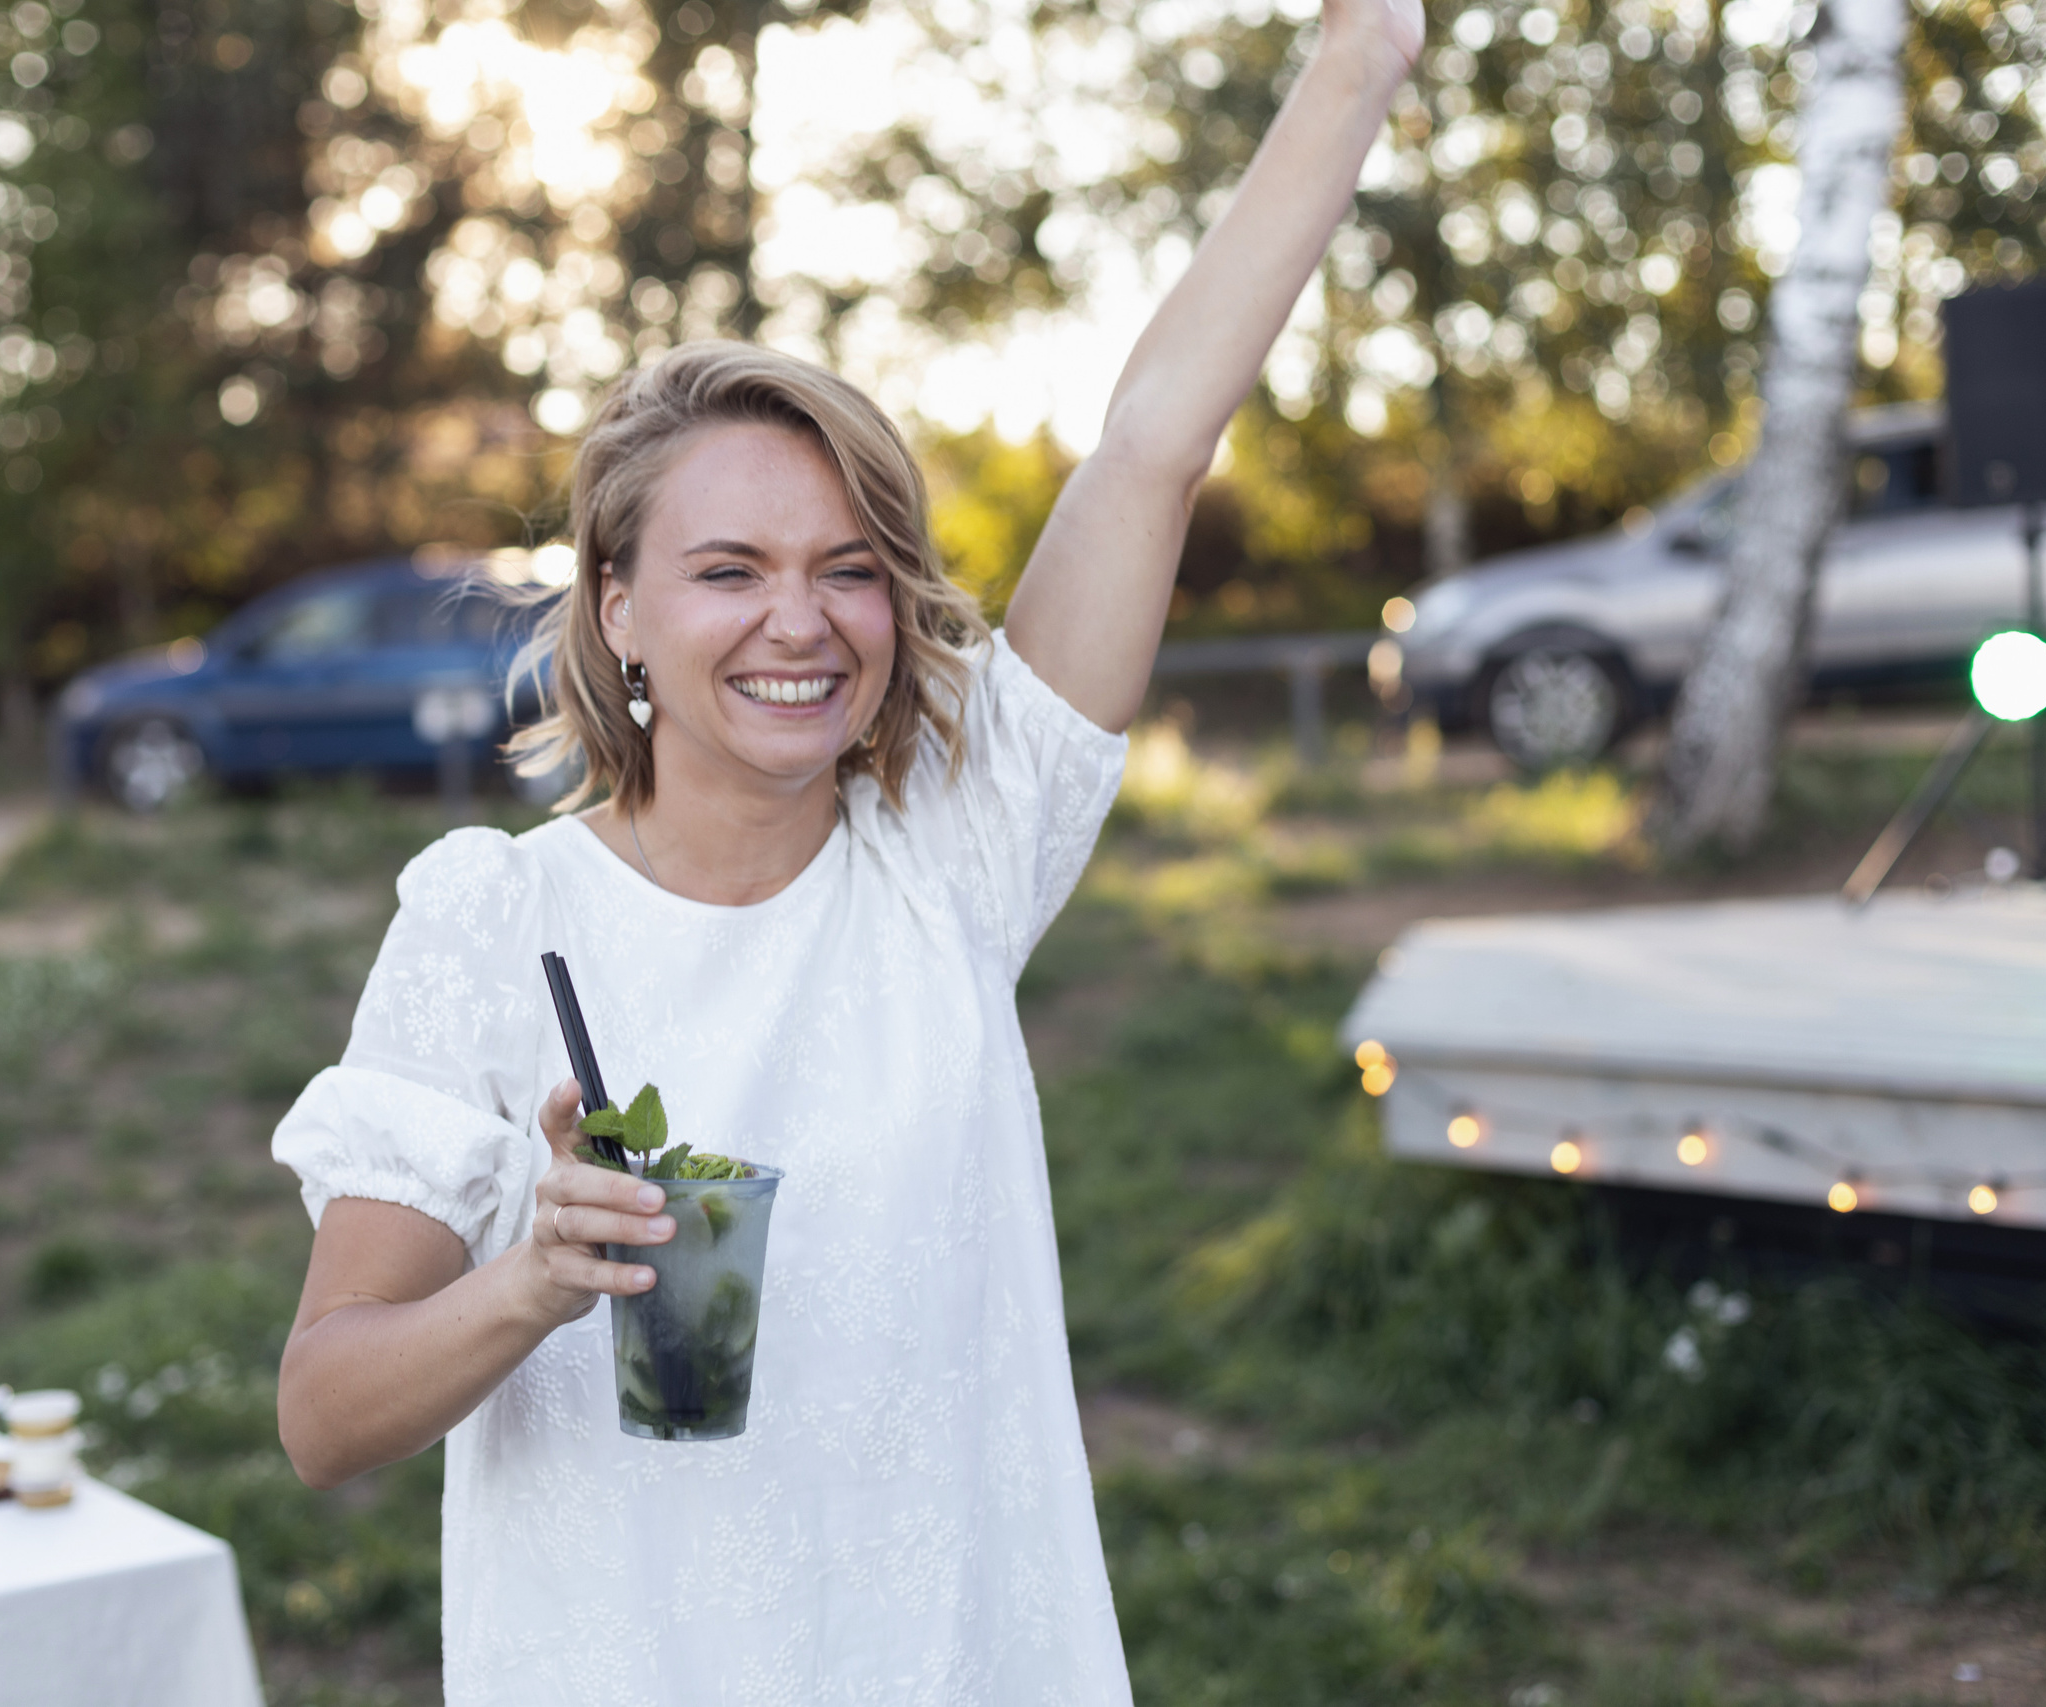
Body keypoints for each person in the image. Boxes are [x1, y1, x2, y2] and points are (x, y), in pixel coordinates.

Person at [268, 0, 1423, 1693]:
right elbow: (322, 1411)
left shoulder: (953, 849)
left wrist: (1362, 58)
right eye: (729, 568)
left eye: (850, 565)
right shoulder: (491, 919)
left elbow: (1154, 449)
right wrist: (533, 1278)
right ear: (621, 612)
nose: (799, 621)